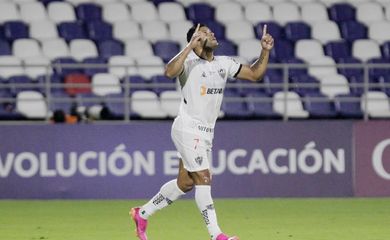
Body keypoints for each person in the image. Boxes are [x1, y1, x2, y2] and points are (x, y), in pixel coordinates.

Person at [130, 23, 274, 240]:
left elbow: (255, 74)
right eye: (206, 33)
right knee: (203, 178)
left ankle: (142, 214)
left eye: (211, 31)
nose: (212, 34)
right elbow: (168, 72)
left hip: (206, 132)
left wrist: (265, 50)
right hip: (187, 128)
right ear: (196, 39)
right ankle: (217, 235)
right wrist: (189, 46)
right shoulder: (188, 63)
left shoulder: (224, 63)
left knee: (185, 183)